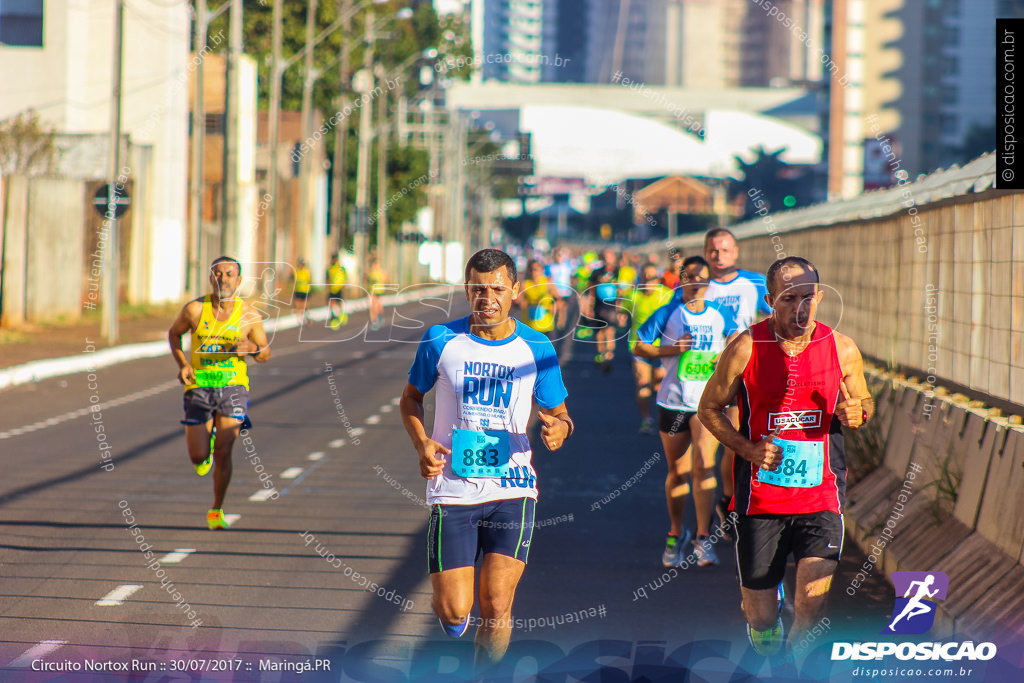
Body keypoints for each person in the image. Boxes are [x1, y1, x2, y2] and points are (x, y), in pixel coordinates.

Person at [399, 248, 573, 670]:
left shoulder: (536, 345)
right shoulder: (442, 339)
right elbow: (410, 399)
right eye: (478, 289)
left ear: (515, 290)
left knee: (496, 604)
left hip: (513, 489)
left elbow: (561, 412)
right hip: (454, 490)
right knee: (455, 611)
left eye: (497, 288)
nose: (487, 297)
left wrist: (559, 428)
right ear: (466, 289)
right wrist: (422, 442)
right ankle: (455, 620)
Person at [698, 256, 873, 656]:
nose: (802, 308)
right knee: (760, 615)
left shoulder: (841, 348)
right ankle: (767, 633)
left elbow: (862, 402)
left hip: (821, 495)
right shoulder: (746, 347)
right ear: (770, 299)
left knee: (813, 603)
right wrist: (748, 449)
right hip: (761, 499)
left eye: (809, 297)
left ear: (821, 296)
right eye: (790, 298)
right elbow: (709, 408)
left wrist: (858, 411)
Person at [635, 256, 738, 568]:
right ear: (680, 280)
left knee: (704, 467)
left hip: (708, 403)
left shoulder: (722, 313)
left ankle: (704, 537)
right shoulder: (668, 312)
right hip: (673, 400)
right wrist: (672, 350)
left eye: (701, 278)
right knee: (678, 472)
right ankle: (676, 532)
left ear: (709, 283)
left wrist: (727, 356)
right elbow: (639, 346)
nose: (695, 283)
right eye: (689, 277)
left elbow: (737, 343)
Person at [168, 256, 271, 529]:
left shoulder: (249, 315)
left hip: (233, 387)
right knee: (198, 457)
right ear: (211, 278)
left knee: (225, 450)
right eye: (218, 274)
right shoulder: (194, 310)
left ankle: (216, 509)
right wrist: (184, 364)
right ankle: (206, 448)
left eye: (229, 274)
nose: (223, 279)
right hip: (199, 386)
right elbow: (174, 334)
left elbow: (265, 352)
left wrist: (250, 349)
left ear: (238, 281)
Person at [703, 228, 773, 539]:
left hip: (741, 374)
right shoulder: (697, 285)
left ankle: (730, 504)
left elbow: (778, 317)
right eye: (713, 250)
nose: (719, 256)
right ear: (706, 253)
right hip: (701, 374)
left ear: (736, 252)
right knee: (703, 456)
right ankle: (704, 525)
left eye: (725, 250)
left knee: (732, 445)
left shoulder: (754, 282)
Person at [620, 263, 673, 435]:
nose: (647, 281)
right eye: (644, 278)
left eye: (651, 278)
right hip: (638, 348)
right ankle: (646, 420)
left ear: (657, 279)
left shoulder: (666, 295)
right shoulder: (633, 296)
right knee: (642, 384)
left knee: (657, 385)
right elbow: (622, 311)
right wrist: (620, 316)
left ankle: (662, 417)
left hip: (662, 349)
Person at [586, 249, 623, 371]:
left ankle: (608, 354)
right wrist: (589, 307)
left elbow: (621, 290)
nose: (608, 260)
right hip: (599, 305)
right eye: (606, 257)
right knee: (600, 332)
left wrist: (621, 309)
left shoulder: (618, 272)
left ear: (614, 259)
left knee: (610, 331)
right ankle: (601, 354)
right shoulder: (597, 273)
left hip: (611, 305)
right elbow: (591, 290)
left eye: (610, 257)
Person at [518, 260, 562, 338]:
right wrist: (521, 303)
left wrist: (554, 307)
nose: (533, 272)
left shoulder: (548, 283)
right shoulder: (525, 284)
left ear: (541, 270)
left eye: (536, 269)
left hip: (546, 325)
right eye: (531, 269)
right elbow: (518, 300)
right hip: (530, 324)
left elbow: (559, 299)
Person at [327, 254, 348, 328]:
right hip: (332, 289)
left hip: (338, 288)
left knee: (339, 302)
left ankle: (340, 314)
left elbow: (345, 277)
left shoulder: (340, 268)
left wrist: (343, 285)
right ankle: (334, 315)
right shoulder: (330, 268)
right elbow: (328, 278)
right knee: (332, 302)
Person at [367, 259, 387, 331]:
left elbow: (368, 280)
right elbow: (386, 280)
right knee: (378, 305)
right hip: (380, 290)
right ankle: (380, 317)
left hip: (374, 291)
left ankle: (375, 321)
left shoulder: (372, 273)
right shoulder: (382, 272)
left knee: (373, 306)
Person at [292, 257, 312, 324]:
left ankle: (306, 316)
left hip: (305, 290)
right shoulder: (296, 270)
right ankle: (301, 318)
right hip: (298, 289)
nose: (301, 265)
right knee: (298, 305)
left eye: (302, 263)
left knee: (306, 305)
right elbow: (293, 279)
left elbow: (308, 279)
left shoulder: (307, 271)